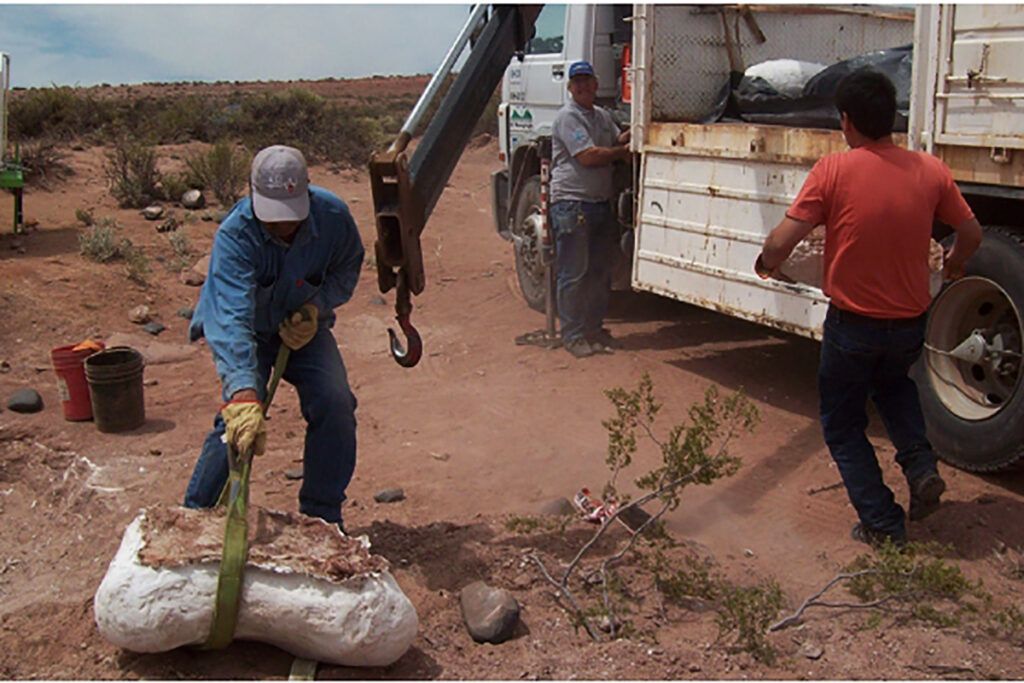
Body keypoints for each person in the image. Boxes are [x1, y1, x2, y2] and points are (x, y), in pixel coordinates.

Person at [755, 69, 982, 546]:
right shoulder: (930, 170)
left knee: (842, 424)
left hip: (854, 325)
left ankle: (882, 522)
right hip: (908, 324)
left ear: (846, 122)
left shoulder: (834, 170)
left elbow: (783, 240)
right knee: (895, 388)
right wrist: (955, 266)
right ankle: (920, 468)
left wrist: (767, 264)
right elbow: (971, 233)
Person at [183, 144, 365, 532]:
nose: (282, 226)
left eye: (290, 217)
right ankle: (195, 516)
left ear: (306, 193)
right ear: (252, 195)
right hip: (248, 332)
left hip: (304, 328)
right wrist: (244, 392)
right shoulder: (236, 235)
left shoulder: (333, 218)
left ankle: (322, 519)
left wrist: (315, 308)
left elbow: (347, 268)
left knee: (335, 404)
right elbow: (229, 317)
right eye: (273, 218)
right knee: (238, 421)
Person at [550, 60, 631, 359]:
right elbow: (588, 156)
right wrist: (621, 153)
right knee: (574, 273)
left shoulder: (600, 116)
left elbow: (614, 138)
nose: (583, 86)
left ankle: (594, 330)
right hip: (573, 204)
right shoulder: (568, 118)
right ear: (570, 88)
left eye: (587, 81)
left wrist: (634, 133)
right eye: (577, 82)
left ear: (596, 85)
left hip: (597, 204)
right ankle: (572, 335)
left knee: (599, 272)